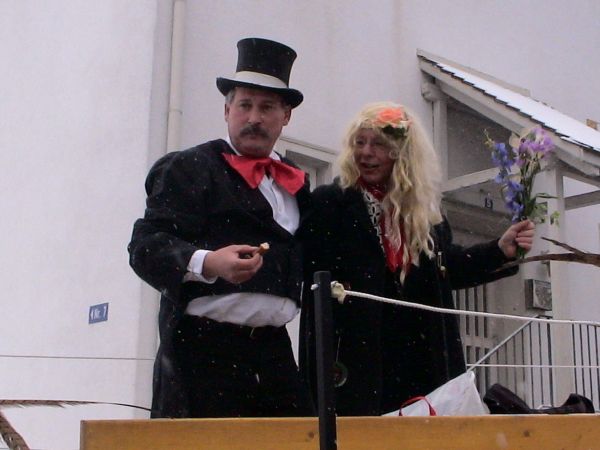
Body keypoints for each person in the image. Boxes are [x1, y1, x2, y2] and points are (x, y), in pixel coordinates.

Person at [299, 101, 535, 416]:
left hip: (421, 360)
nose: (365, 153)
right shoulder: (330, 203)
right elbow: (307, 269)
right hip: (356, 361)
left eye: (378, 144)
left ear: (402, 153)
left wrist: (498, 251)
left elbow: (447, 270)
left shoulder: (426, 215)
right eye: (359, 142)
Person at [128, 38, 313, 418]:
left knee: (303, 440)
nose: (254, 118)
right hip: (202, 352)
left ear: (286, 116)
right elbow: (145, 247)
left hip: (275, 353)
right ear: (227, 110)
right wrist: (208, 261)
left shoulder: (296, 182)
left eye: (267, 107)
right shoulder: (190, 167)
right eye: (245, 105)